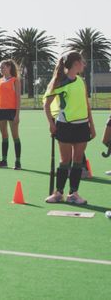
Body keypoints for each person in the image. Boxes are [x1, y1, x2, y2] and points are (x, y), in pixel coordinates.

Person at [43, 52, 94, 204]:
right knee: (65, 160)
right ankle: (58, 193)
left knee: (78, 160)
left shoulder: (81, 81)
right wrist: (51, 123)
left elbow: (86, 104)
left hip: (82, 125)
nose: (84, 64)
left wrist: (92, 125)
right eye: (82, 62)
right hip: (64, 126)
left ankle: (73, 194)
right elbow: (46, 104)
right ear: (76, 63)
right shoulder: (59, 82)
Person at [0, 59, 22, 169]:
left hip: (12, 111)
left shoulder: (15, 80)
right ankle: (4, 161)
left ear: (9, 67)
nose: (1, 69)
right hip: (1, 111)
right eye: (0, 68)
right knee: (4, 136)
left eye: (3, 67)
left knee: (15, 136)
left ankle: (17, 162)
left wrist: (17, 114)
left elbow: (18, 98)